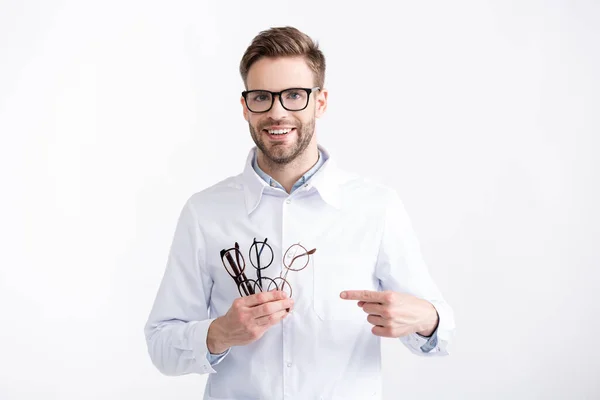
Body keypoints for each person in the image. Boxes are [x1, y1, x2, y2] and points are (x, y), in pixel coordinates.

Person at [144, 26, 455, 400]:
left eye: (294, 95)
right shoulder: (204, 213)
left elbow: (441, 333)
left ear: (320, 102)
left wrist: (424, 319)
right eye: (262, 97)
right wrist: (220, 332)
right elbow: (161, 346)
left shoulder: (377, 207)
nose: (277, 112)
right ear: (245, 106)